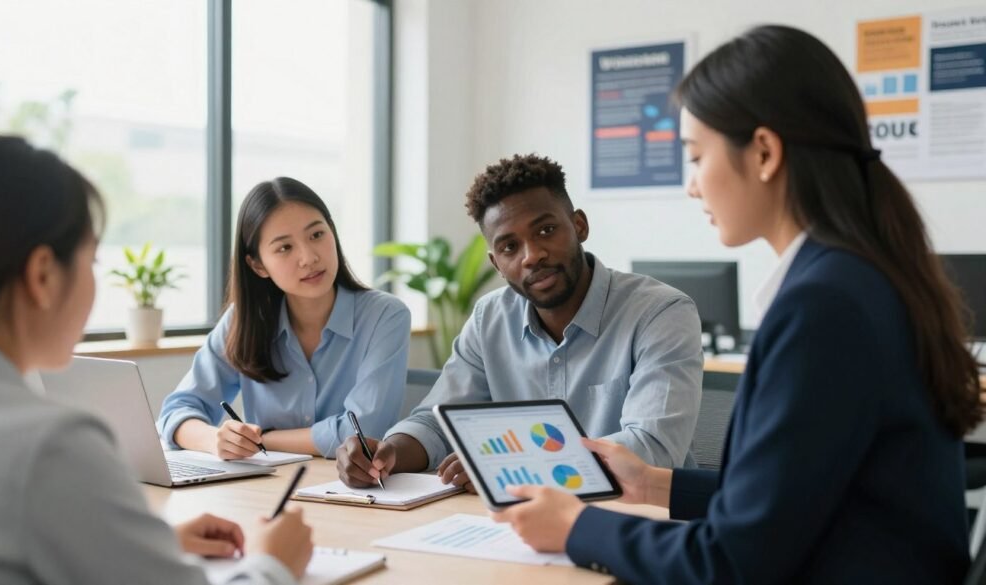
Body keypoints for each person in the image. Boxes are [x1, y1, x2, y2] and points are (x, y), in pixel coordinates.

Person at [492, 25, 983, 584]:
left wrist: (577, 528)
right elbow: (788, 497)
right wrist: (654, 483)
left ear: (765, 152)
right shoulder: (856, 277)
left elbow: (734, 560)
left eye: (697, 157)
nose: (692, 186)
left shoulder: (822, 306)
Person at [0, 135, 312, 583]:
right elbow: (181, 409)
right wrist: (272, 564)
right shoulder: (50, 447)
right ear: (43, 275)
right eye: (93, 261)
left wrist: (145, 543)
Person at [338, 153, 703, 490]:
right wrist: (389, 453)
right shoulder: (489, 319)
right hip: (522, 522)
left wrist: (505, 463)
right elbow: (437, 423)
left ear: (578, 226)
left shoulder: (661, 312)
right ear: (497, 264)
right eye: (510, 247)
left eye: (546, 231)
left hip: (640, 519)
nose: (532, 256)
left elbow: (651, 447)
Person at [157, 177, 410, 460]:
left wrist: (263, 439)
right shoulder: (244, 320)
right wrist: (216, 439)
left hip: (355, 493)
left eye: (317, 235)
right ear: (258, 265)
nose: (309, 257)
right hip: (268, 490)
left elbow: (362, 431)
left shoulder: (385, 317)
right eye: (285, 248)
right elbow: (176, 411)